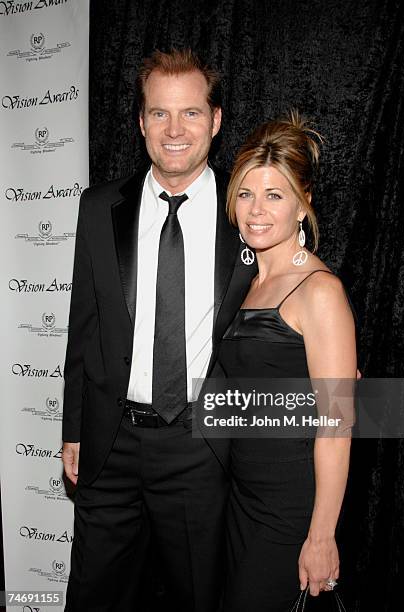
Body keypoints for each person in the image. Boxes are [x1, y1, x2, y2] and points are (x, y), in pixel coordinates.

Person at [61, 48, 256, 612]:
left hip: (200, 445)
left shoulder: (246, 214)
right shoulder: (99, 208)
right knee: (95, 595)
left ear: (215, 121)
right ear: (140, 121)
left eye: (191, 113)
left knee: (200, 596)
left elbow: (290, 300)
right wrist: (74, 427)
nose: (174, 130)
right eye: (159, 113)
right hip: (109, 442)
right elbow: (84, 326)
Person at [217, 112, 357, 611]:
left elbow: (337, 424)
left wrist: (321, 535)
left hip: (289, 507)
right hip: (240, 498)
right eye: (247, 193)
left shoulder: (318, 291)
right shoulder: (247, 280)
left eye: (275, 195)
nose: (257, 210)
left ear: (304, 205)